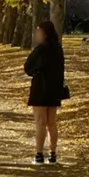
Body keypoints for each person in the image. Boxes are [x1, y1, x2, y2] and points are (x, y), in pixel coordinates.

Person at [24, 21, 65, 165]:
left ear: (44, 33)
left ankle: (39, 154)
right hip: (54, 89)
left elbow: (28, 67)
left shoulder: (41, 49)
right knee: (51, 123)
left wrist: (35, 72)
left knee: (40, 123)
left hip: (40, 88)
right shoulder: (58, 49)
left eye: (38, 32)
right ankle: (53, 154)